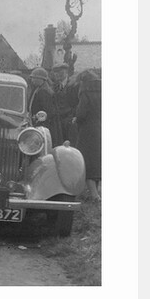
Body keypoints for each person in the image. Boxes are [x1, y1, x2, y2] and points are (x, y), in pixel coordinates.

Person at [74, 70, 101, 201]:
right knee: (99, 159)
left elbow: (81, 114)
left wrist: (76, 119)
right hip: (101, 127)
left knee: (87, 160)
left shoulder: (86, 93)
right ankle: (98, 191)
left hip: (88, 130)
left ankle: (94, 195)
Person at [28, 67, 62, 143]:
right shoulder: (38, 89)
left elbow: (48, 111)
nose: (32, 80)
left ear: (40, 79)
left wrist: (37, 117)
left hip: (44, 126)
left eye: (34, 78)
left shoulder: (44, 92)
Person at [51, 63, 78, 145]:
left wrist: (73, 117)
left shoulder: (74, 86)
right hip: (59, 121)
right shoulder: (55, 86)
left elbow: (77, 103)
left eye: (60, 72)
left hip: (69, 121)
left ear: (66, 73)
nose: (57, 75)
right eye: (55, 72)